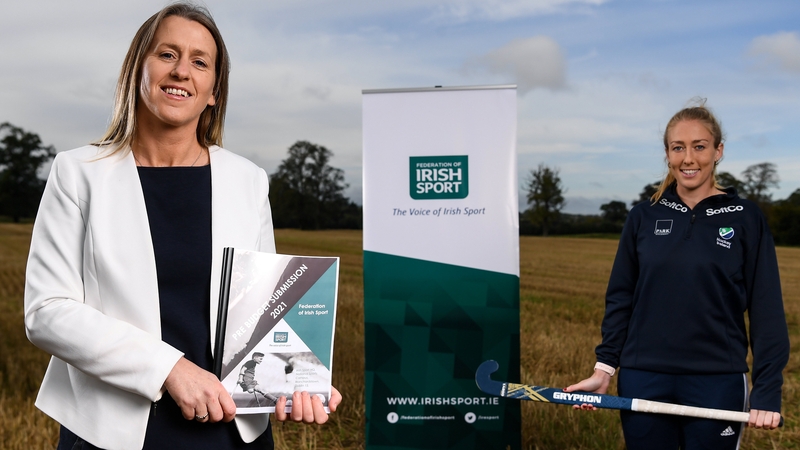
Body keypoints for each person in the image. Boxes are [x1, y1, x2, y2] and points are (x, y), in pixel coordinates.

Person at [23, 3, 340, 450]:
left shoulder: (247, 180)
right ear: (138, 69)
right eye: (167, 55)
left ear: (214, 90)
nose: (181, 72)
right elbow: (47, 312)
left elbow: (265, 310)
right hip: (112, 432)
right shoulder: (78, 173)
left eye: (199, 62)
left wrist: (296, 378)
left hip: (228, 432)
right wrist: (170, 368)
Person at [565, 101, 789, 450]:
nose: (688, 158)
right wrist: (604, 369)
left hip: (718, 381)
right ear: (667, 154)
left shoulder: (746, 218)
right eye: (678, 147)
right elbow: (621, 297)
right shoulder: (643, 216)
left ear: (718, 151)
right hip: (644, 378)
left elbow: (767, 311)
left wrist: (767, 392)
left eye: (699, 146)